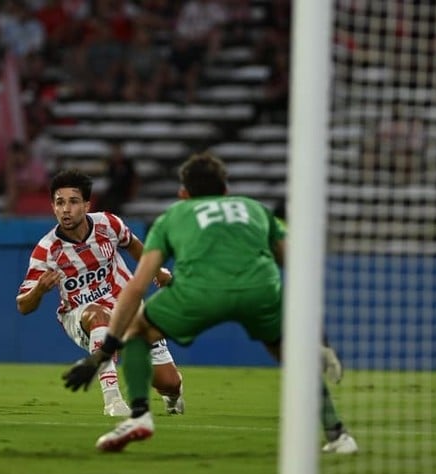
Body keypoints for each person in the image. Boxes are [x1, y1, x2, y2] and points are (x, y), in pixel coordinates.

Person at [62, 152, 357, 454]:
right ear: (226, 190)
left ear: (183, 193)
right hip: (260, 290)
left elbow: (138, 285)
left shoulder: (173, 217)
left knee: (137, 333)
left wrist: (103, 353)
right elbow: (298, 269)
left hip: (198, 292)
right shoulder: (255, 210)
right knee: (295, 359)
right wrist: (319, 336)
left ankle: (138, 416)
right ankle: (338, 435)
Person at [17, 168, 184, 417]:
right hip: (80, 313)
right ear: (53, 207)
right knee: (98, 315)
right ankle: (113, 401)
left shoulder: (108, 223)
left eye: (73, 202)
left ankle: (172, 396)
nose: (65, 209)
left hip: (127, 306)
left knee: (168, 382)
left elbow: (133, 244)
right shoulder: (46, 251)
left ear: (86, 205)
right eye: (59, 203)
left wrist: (157, 271)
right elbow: (23, 306)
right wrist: (39, 291)